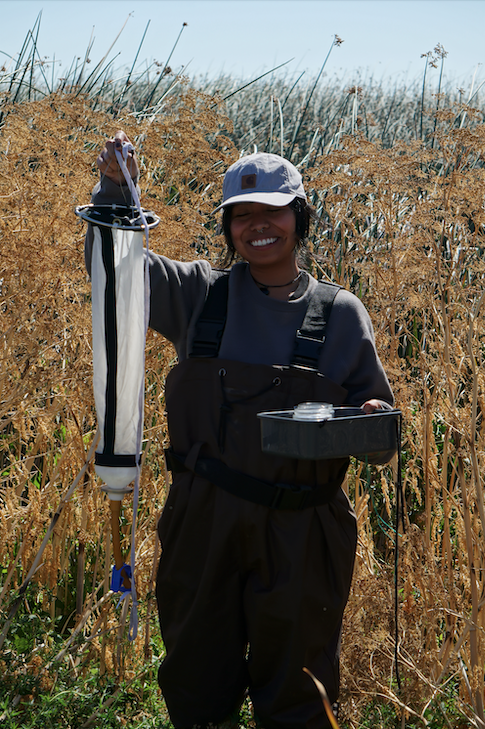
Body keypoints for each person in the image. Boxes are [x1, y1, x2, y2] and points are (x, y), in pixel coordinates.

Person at [86, 131, 395, 729]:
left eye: (273, 213)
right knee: (197, 681)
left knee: (301, 691)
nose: (258, 227)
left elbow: (377, 427)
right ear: (227, 228)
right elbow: (119, 269)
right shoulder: (201, 294)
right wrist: (114, 190)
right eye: (241, 215)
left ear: (299, 219)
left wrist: (370, 422)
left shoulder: (340, 313)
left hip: (305, 530)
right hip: (204, 518)